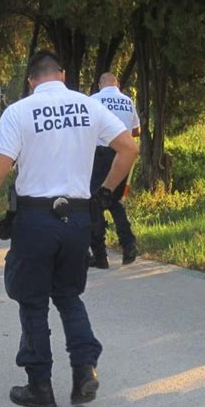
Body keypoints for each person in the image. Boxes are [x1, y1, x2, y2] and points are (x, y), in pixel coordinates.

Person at [0, 50, 138, 407]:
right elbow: (129, 148)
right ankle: (84, 369)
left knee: (32, 300)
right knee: (68, 295)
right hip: (77, 218)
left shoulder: (19, 112)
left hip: (35, 219)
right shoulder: (87, 106)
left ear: (31, 80)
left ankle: (39, 388)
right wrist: (103, 194)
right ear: (62, 74)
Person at [89, 72, 140, 268]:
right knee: (114, 201)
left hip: (101, 155)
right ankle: (129, 245)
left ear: (100, 83)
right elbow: (136, 131)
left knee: (94, 203)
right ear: (117, 83)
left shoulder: (94, 100)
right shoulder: (128, 101)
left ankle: (100, 256)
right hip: (123, 156)